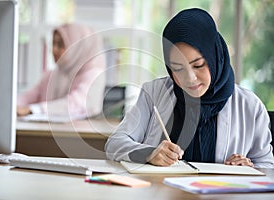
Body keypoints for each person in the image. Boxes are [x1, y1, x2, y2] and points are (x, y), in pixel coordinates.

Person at [105, 8, 274, 168]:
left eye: (198, 65)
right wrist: (148, 153)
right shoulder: (154, 93)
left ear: (214, 57)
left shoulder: (250, 106)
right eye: (178, 68)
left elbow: (267, 166)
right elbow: (115, 143)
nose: (190, 78)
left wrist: (248, 168)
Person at [17, 23, 106, 119]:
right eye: (53, 43)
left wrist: (34, 109)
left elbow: (77, 103)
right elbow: (29, 96)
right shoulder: (54, 74)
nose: (54, 50)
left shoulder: (93, 74)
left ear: (77, 47)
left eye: (60, 45)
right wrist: (13, 106)